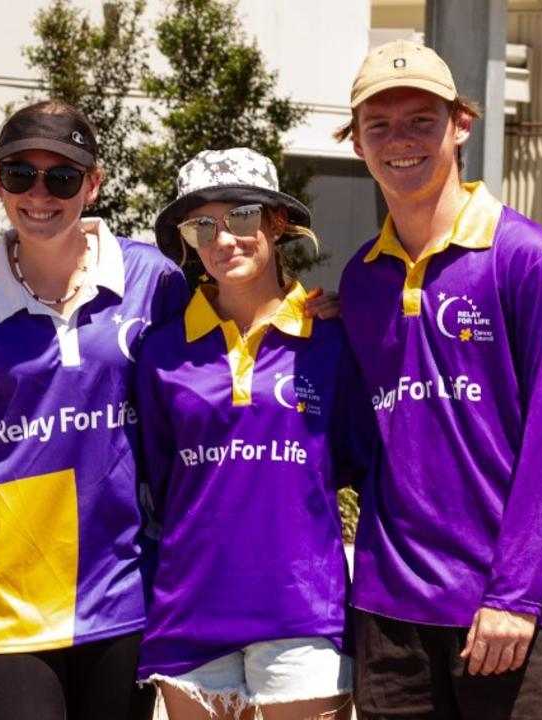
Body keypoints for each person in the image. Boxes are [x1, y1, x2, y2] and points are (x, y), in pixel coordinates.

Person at [334, 40, 542, 719]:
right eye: (379, 125)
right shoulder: (361, 279)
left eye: (422, 119)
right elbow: (361, 443)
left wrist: (513, 594)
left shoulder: (528, 257)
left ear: (460, 126)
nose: (401, 141)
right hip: (390, 610)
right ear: (356, 142)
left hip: (509, 612)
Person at [0, 100, 190, 720]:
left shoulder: (154, 280)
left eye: (63, 177)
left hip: (125, 585)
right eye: (21, 174)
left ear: (94, 183)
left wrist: (308, 310)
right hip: (5, 595)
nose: (39, 194)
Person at [134, 148, 367, 720]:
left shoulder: (331, 339)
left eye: (240, 217)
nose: (223, 239)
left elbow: (351, 464)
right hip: (191, 610)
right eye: (202, 225)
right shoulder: (161, 352)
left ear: (276, 224)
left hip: (303, 609)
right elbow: (162, 482)